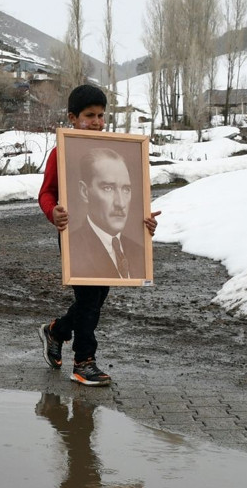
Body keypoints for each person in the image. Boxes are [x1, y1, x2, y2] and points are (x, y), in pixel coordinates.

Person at [37, 84, 160, 386]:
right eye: (89, 116)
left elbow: (135, 198)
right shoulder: (62, 151)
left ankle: (57, 331)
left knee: (95, 299)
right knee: (90, 299)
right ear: (72, 117)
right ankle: (84, 361)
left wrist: (144, 225)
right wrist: (53, 212)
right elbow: (46, 193)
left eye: (101, 115)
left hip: (111, 242)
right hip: (73, 235)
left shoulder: (118, 149)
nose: (96, 122)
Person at [69, 148, 145, 280]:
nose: (120, 203)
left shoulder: (139, 251)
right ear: (84, 192)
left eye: (126, 189)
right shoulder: (73, 248)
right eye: (108, 188)